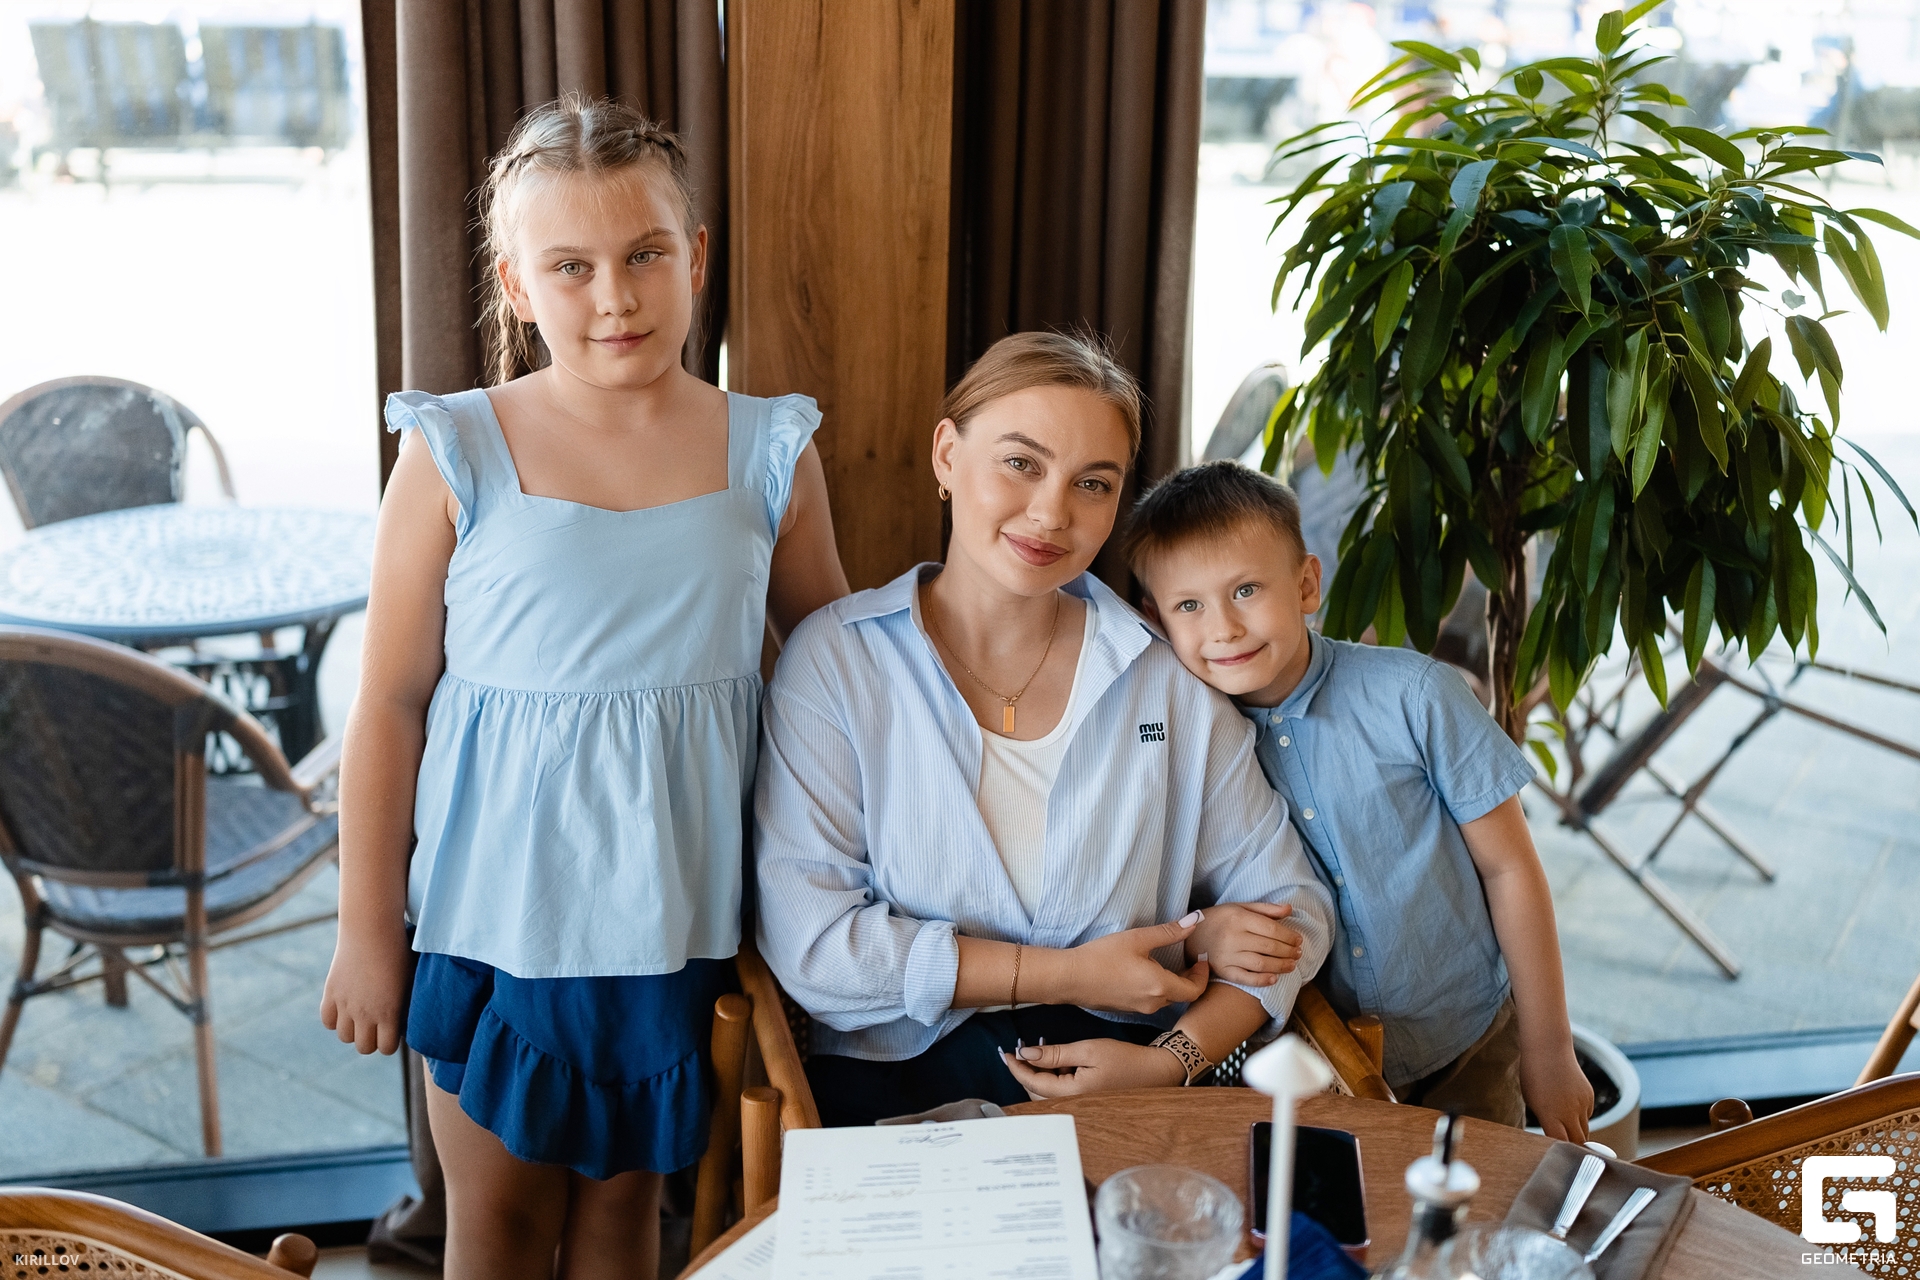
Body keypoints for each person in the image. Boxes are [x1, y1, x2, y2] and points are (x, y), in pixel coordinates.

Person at [318, 97, 848, 1280]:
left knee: (623, 1226)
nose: (616, 296)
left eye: (645, 254)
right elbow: (389, 702)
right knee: (498, 1227)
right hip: (490, 917)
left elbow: (834, 683)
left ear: (694, 256)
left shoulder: (770, 449)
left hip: (675, 919)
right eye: (572, 266)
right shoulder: (454, 448)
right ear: (517, 285)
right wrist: (365, 928)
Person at [753, 332, 1335, 1127]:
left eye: (1092, 483)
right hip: (895, 1089)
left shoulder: (1166, 675)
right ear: (947, 455)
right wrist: (1070, 973)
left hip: (1126, 1089)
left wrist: (1172, 1061)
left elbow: (1292, 907)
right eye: (1021, 463)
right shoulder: (836, 662)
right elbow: (815, 948)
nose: (1052, 513)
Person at [1122, 460, 1594, 1140]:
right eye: (1189, 606)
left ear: (1306, 585)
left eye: (1246, 590)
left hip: (1469, 1042)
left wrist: (1549, 1051)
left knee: (1482, 1198)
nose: (1223, 628)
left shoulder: (1418, 696)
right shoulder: (1187, 747)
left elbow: (1510, 868)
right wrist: (1206, 930)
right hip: (1317, 1060)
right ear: (1156, 621)